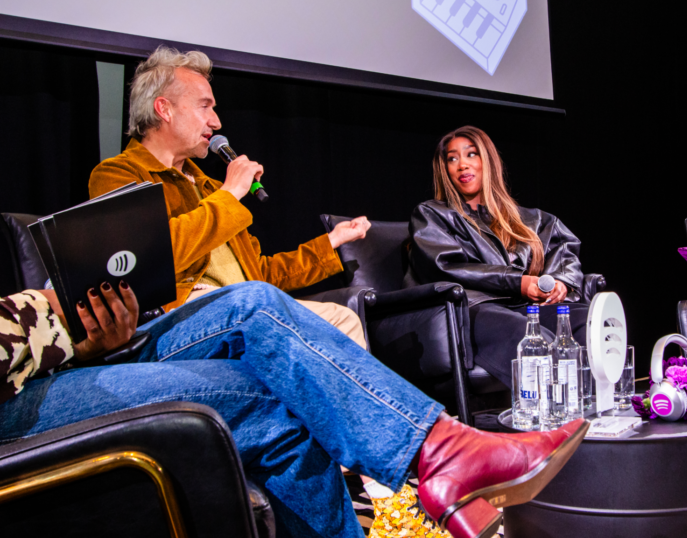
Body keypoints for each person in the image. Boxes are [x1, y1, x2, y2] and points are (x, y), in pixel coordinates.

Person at [0, 280, 588, 538]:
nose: (216, 120)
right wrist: (43, 311)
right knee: (272, 398)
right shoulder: (131, 174)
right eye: (205, 105)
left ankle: (444, 451)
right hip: (16, 394)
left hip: (54, 355)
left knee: (256, 304)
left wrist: (81, 334)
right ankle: (447, 463)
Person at [88, 46, 371, 347]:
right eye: (204, 106)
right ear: (164, 109)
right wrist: (230, 193)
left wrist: (331, 242)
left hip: (245, 303)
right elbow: (147, 259)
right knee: (257, 302)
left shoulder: (209, 188)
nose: (216, 122)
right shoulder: (118, 174)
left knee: (342, 319)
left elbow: (260, 273)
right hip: (180, 314)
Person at [405, 126, 589, 388]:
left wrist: (561, 282)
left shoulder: (532, 219)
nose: (462, 165)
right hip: (473, 308)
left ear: (488, 160)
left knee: (586, 322)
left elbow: (563, 251)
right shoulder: (432, 214)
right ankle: (545, 410)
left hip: (523, 307)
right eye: (452, 158)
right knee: (532, 337)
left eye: (471, 154)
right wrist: (518, 282)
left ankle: (594, 406)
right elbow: (446, 266)